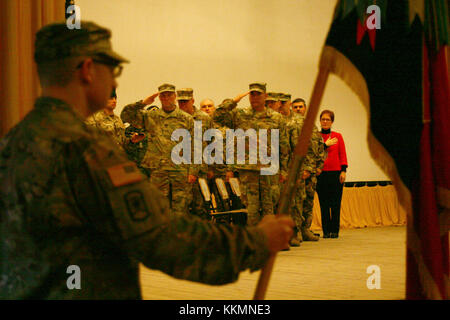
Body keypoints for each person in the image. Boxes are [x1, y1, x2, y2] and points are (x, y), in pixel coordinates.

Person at [0, 21, 294, 299]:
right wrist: (256, 241)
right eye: (113, 69)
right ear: (88, 70)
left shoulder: (13, 143)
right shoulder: (87, 150)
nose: (115, 80)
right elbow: (162, 238)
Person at [213, 83, 290, 227]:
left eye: (258, 94)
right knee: (251, 208)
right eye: (252, 94)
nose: (254, 97)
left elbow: (284, 145)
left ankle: (268, 240)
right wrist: (233, 101)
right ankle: (255, 241)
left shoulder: (276, 118)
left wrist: (284, 170)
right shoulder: (239, 115)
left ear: (265, 96)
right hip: (247, 169)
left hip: (269, 168)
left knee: (269, 207)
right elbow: (217, 117)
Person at [121, 83, 198, 216]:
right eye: (163, 95)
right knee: (158, 208)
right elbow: (126, 116)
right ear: (159, 98)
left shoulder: (186, 119)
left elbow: (195, 146)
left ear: (174, 96)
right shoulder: (150, 116)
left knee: (181, 209)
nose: (166, 98)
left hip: (180, 170)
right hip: (158, 170)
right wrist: (143, 103)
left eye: (169, 95)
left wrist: (193, 171)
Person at [316, 110, 348, 238]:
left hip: (335, 174)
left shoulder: (337, 136)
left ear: (332, 122)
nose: (325, 122)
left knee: (335, 203)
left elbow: (342, 154)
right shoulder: (316, 136)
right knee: (324, 204)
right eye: (323, 119)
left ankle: (334, 230)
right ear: (320, 121)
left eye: (327, 120)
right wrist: (324, 145)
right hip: (321, 174)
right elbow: (313, 153)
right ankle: (326, 231)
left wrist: (343, 170)